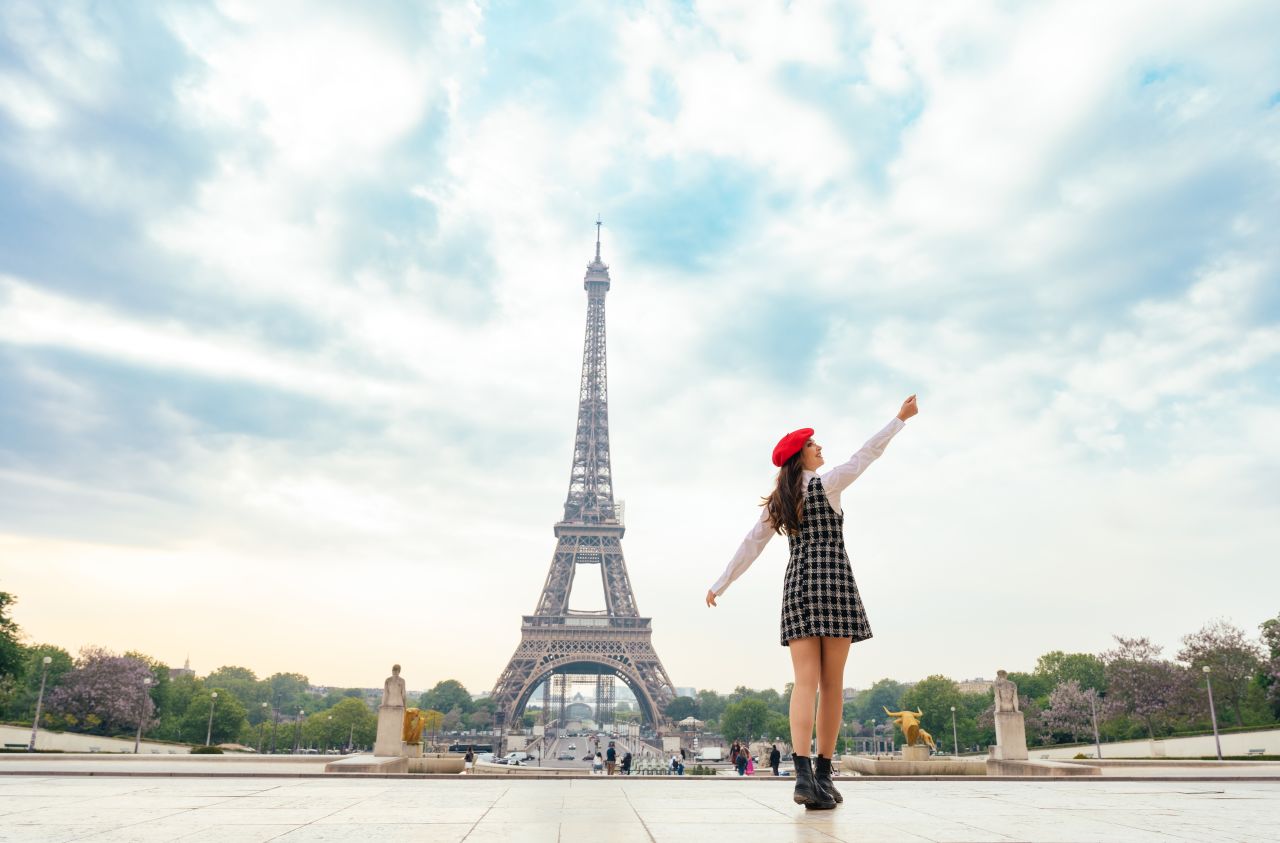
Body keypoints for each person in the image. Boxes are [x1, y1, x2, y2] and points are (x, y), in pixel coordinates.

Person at [706, 395, 918, 810]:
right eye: (813, 444)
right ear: (800, 456)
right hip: (835, 580)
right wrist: (899, 419)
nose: (820, 448)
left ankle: (805, 777)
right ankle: (823, 772)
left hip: (800, 584)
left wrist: (721, 583)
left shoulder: (781, 501)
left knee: (804, 683)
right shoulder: (829, 482)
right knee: (832, 684)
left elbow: (751, 545)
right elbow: (867, 454)